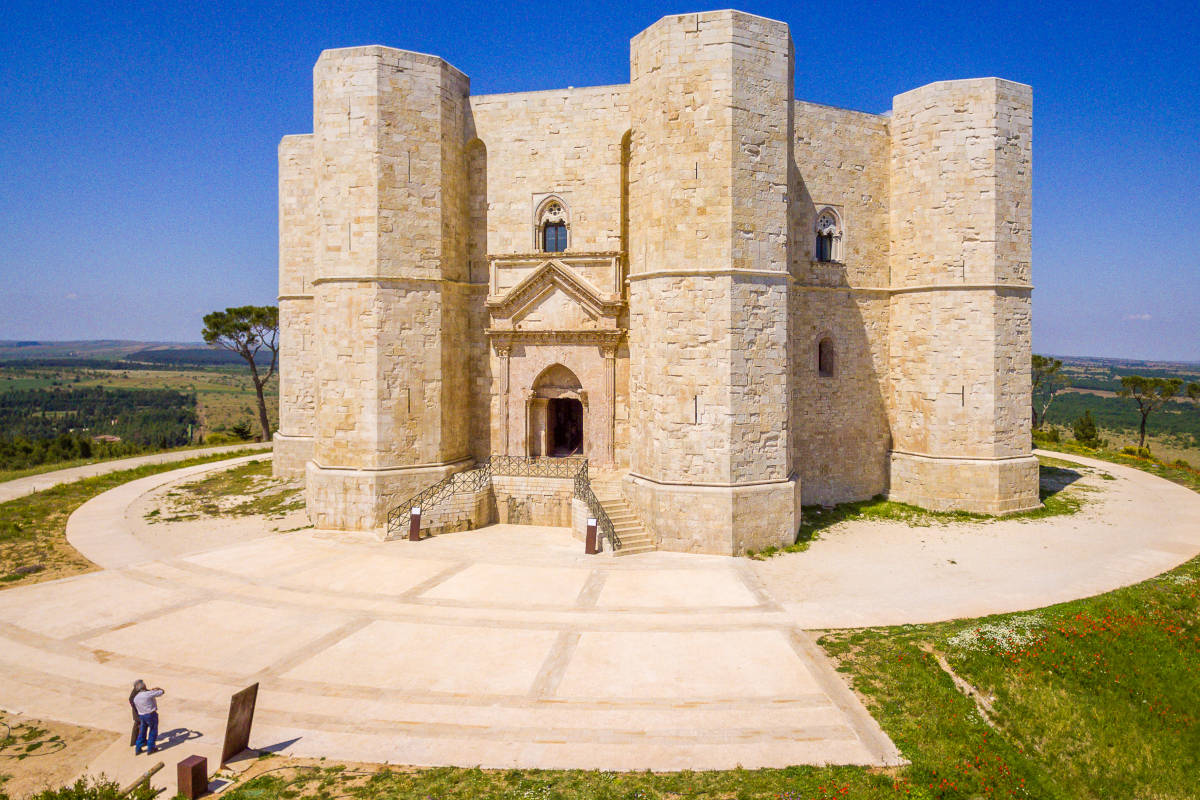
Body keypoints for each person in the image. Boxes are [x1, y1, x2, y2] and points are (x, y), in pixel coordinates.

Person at [131, 681, 165, 755]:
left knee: (142, 732)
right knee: (153, 731)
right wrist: (157, 688)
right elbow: (162, 692)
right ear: (143, 687)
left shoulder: (135, 698)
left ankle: (138, 748)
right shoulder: (148, 694)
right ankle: (151, 748)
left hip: (142, 716)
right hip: (151, 715)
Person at [128, 680, 146, 747]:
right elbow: (131, 700)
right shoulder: (136, 691)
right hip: (138, 712)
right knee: (140, 725)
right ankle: (139, 742)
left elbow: (146, 691)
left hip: (138, 711)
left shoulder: (138, 689)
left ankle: (134, 742)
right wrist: (137, 707)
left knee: (137, 725)